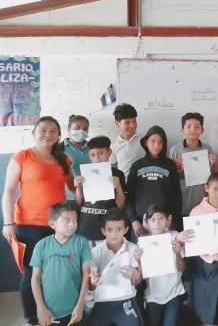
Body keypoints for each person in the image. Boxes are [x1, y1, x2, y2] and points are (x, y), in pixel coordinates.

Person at [2, 116, 74, 326]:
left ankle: (53, 312)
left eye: (53, 131)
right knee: (32, 272)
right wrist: (8, 223)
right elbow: (8, 192)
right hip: (29, 224)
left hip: (58, 225)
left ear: (58, 135)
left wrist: (81, 183)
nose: (48, 134)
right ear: (34, 133)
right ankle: (31, 318)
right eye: (43, 130)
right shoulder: (22, 157)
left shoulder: (65, 159)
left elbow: (71, 188)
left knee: (57, 272)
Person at [177, 173, 218, 325]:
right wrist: (184, 238)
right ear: (207, 188)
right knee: (203, 297)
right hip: (204, 260)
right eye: (215, 189)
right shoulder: (196, 211)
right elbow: (190, 239)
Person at [30, 201, 92, 326]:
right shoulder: (41, 245)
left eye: (75, 220)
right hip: (49, 313)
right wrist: (41, 308)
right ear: (53, 224)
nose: (72, 224)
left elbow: (86, 275)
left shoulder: (82, 242)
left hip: (75, 310)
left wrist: (80, 306)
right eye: (66, 221)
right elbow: (35, 279)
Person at [88, 207, 143, 326]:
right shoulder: (95, 252)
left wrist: (135, 275)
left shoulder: (133, 249)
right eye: (110, 229)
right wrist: (93, 282)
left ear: (126, 229)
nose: (114, 234)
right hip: (102, 301)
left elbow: (137, 281)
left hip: (126, 299)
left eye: (119, 229)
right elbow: (91, 286)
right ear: (103, 231)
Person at [133, 203, 186, 326]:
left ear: (168, 220)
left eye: (161, 219)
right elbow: (143, 277)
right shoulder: (143, 243)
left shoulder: (174, 237)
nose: (157, 223)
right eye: (153, 220)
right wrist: (139, 261)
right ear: (147, 221)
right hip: (153, 296)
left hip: (174, 293)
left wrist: (177, 253)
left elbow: (183, 268)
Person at [126, 126, 182, 238]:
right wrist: (133, 220)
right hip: (141, 222)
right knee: (141, 254)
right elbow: (130, 195)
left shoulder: (170, 165)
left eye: (160, 142)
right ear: (146, 142)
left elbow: (177, 194)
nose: (156, 145)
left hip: (164, 222)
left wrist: (173, 220)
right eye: (153, 141)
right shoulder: (137, 165)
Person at [74, 135, 126, 247]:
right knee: (87, 262)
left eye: (101, 153)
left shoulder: (117, 174)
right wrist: (78, 188)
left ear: (109, 152)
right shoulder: (85, 172)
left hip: (106, 227)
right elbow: (79, 202)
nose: (97, 158)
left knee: (106, 260)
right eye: (92, 155)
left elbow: (121, 204)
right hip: (85, 224)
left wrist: (118, 186)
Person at [168, 112, 217, 218]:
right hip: (182, 199)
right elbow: (170, 178)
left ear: (202, 130)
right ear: (182, 130)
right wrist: (176, 168)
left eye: (196, 127)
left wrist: (213, 164)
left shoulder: (207, 149)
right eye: (188, 126)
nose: (192, 130)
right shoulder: (175, 150)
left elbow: (211, 176)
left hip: (201, 198)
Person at [109, 103, 144, 182]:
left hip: (143, 186)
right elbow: (113, 171)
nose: (132, 125)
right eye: (127, 122)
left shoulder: (145, 140)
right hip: (124, 187)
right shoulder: (113, 147)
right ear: (117, 124)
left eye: (134, 121)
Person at [60, 114, 91, 199]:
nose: (81, 131)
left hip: (91, 196)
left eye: (85, 128)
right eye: (77, 128)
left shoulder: (93, 148)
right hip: (68, 198)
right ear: (68, 129)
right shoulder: (59, 150)